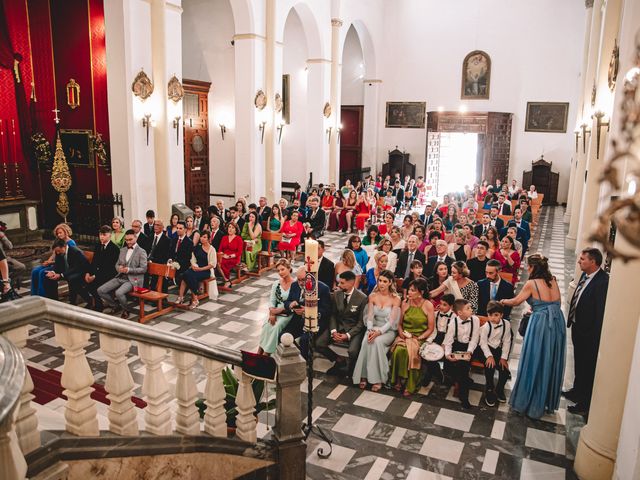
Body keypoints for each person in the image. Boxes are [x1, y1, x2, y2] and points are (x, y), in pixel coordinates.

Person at [500, 254, 565, 419]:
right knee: (549, 359)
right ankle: (544, 400)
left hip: (541, 324)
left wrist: (503, 301)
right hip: (557, 322)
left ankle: (528, 401)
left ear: (533, 268)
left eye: (528, 266)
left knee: (534, 358)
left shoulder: (531, 283)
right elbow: (557, 302)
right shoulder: (554, 279)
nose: (527, 269)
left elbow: (516, 301)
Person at [563, 248, 609, 415]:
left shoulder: (602, 282)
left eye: (582, 259)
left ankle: (584, 403)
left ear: (593, 262)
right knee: (578, 362)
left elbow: (600, 312)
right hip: (578, 327)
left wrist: (593, 336)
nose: (579, 261)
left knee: (587, 366)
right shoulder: (585, 275)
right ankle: (576, 390)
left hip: (589, 333)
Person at [352, 270, 401, 391]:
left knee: (377, 342)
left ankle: (378, 378)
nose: (381, 284)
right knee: (366, 341)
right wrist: (370, 330)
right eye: (380, 281)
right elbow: (369, 316)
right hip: (373, 327)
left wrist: (379, 332)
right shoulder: (372, 296)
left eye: (385, 281)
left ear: (390, 283)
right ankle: (363, 375)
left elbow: (391, 322)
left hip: (387, 330)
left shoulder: (396, 299)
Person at [315, 270, 367, 377]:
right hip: (338, 326)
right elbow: (333, 314)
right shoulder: (337, 294)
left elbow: (361, 323)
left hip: (353, 330)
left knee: (353, 351)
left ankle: (352, 370)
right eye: (339, 282)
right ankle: (339, 360)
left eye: (342, 283)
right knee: (319, 343)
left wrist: (347, 335)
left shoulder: (362, 298)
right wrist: (334, 331)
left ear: (351, 283)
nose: (339, 285)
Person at [390, 278, 435, 396]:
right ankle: (398, 380)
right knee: (399, 351)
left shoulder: (428, 305)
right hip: (404, 336)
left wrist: (419, 338)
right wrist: (401, 333)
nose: (409, 292)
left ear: (421, 292)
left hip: (419, 337)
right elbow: (399, 324)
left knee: (413, 353)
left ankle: (411, 384)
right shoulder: (404, 304)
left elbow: (430, 329)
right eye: (409, 290)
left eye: (412, 290)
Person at [97, 230, 148, 319]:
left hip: (132, 280)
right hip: (120, 277)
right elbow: (117, 264)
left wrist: (128, 270)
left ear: (135, 238)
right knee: (100, 290)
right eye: (126, 240)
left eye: (130, 239)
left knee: (119, 293)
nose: (128, 242)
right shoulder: (122, 250)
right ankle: (116, 305)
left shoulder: (141, 251)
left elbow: (143, 269)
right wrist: (119, 268)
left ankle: (126, 309)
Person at [282, 267, 331, 359]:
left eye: (303, 280)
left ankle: (305, 364)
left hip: (314, 322)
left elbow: (326, 311)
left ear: (310, 277)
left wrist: (307, 311)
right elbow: (286, 302)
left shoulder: (322, 288)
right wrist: (291, 305)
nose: (300, 283)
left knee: (304, 340)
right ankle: (289, 360)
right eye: (299, 280)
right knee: (283, 335)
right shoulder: (294, 285)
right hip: (298, 320)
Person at [443, 298, 480, 409]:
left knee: (463, 368)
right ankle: (460, 380)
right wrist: (448, 355)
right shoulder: (453, 323)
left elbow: (474, 339)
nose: (471, 310)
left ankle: (464, 397)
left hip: (470, 346)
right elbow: (448, 340)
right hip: (457, 345)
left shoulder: (475, 320)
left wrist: (469, 352)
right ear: (459, 313)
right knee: (449, 365)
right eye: (468, 308)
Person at [478, 301, 512, 406]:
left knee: (505, 371)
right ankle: (489, 389)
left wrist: (503, 358)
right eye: (490, 315)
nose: (492, 318)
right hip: (484, 350)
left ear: (501, 315)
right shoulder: (486, 327)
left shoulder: (506, 324)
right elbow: (482, 343)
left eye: (496, 315)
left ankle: (499, 389)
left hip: (497, 349)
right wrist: (489, 356)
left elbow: (507, 341)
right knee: (490, 367)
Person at [258, 259, 295, 355]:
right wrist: (272, 313)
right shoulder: (276, 284)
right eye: (278, 271)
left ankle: (267, 353)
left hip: (287, 313)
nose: (280, 272)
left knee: (276, 327)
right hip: (275, 311)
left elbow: (294, 303)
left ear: (289, 268)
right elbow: (272, 300)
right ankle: (259, 351)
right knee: (267, 325)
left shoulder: (295, 285)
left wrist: (278, 311)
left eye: (282, 269)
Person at [31, 223, 76, 298]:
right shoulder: (59, 241)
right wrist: (48, 261)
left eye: (60, 233)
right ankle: (34, 294)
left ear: (66, 232)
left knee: (42, 273)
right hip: (55, 263)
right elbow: (54, 254)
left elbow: (66, 261)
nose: (59, 235)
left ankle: (43, 295)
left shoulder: (70, 243)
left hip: (63, 265)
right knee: (35, 271)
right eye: (57, 233)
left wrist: (51, 262)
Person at [176, 230, 217, 309]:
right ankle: (181, 297)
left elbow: (212, 264)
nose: (202, 238)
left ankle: (195, 299)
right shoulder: (197, 247)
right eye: (201, 237)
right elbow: (193, 259)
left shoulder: (212, 249)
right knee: (186, 274)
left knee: (189, 276)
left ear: (208, 239)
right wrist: (194, 266)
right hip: (196, 268)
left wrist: (200, 269)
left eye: (204, 237)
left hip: (205, 270)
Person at [46, 238, 92, 306]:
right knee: (49, 278)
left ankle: (88, 301)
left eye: (59, 251)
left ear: (64, 246)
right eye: (56, 251)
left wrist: (61, 275)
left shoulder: (75, 251)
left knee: (72, 279)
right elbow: (57, 265)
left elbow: (76, 268)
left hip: (81, 271)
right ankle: (54, 300)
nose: (58, 253)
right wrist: (53, 272)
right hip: (68, 271)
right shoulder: (58, 252)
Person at [422, 293, 455, 384]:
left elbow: (450, 334)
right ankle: (436, 371)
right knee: (427, 352)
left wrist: (444, 345)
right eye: (441, 304)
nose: (441, 306)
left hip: (447, 339)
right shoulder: (435, 314)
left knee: (443, 353)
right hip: (436, 336)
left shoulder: (454, 317)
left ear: (451, 306)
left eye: (445, 305)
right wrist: (429, 341)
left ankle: (431, 375)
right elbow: (433, 330)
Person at [86, 225, 120, 311]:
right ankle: (98, 303)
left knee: (94, 285)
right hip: (100, 273)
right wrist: (89, 273)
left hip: (110, 274)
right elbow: (94, 262)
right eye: (100, 234)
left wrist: (95, 276)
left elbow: (109, 267)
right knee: (86, 283)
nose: (101, 237)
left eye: (104, 235)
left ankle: (102, 305)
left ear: (110, 235)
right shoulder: (98, 246)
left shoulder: (114, 249)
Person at [218, 222, 244, 288]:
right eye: (229, 227)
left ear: (235, 230)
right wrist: (223, 255)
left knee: (222, 262)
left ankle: (226, 280)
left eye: (232, 228)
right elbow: (220, 249)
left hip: (234, 257)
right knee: (218, 262)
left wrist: (229, 256)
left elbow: (239, 252)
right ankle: (227, 280)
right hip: (224, 256)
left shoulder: (239, 239)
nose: (230, 229)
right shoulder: (224, 237)